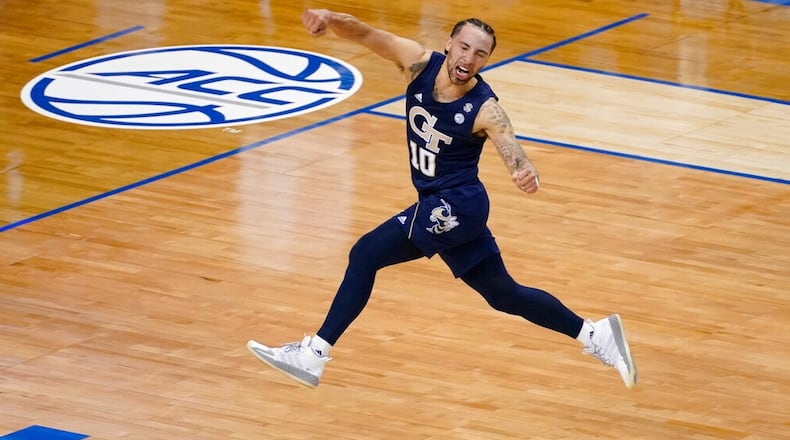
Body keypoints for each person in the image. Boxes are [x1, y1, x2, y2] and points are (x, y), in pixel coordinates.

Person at [247, 8, 637, 389]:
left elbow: (511, 145)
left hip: (457, 205)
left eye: (480, 53)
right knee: (503, 294)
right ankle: (594, 334)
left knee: (365, 253)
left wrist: (523, 169)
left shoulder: (485, 107)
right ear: (449, 44)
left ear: (486, 60)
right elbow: (366, 34)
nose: (469, 58)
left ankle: (313, 355)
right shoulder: (417, 63)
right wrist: (331, 19)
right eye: (464, 47)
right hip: (446, 205)